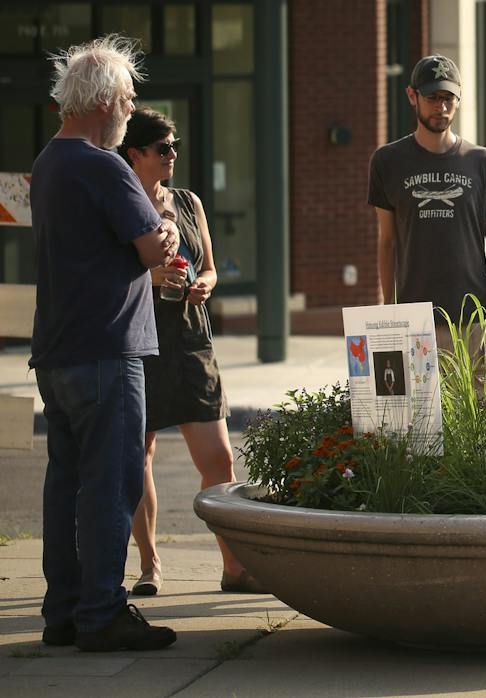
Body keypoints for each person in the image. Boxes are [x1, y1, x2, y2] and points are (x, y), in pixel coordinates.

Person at [29, 36, 179, 652]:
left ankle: (62, 611)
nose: (131, 109)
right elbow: (152, 249)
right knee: (112, 484)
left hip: (58, 347)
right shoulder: (103, 165)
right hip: (108, 348)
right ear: (109, 100)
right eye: (129, 99)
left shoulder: (47, 163)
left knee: (65, 484)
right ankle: (102, 613)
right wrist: (166, 224)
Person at [118, 108, 261, 597]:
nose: (173, 154)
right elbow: (107, 273)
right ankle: (149, 564)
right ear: (135, 154)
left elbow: (213, 268)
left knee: (219, 460)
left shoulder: (188, 202)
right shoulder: (120, 204)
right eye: (164, 148)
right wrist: (150, 279)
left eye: (175, 145)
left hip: (190, 341)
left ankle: (234, 566)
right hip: (139, 341)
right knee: (140, 455)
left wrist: (204, 283)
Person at [368, 55, 486, 341]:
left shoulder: (483, 163)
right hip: (414, 323)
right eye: (432, 97)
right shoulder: (387, 162)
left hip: (474, 321)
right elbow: (387, 242)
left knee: (481, 389)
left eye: (449, 98)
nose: (442, 107)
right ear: (412, 96)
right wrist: (390, 311)